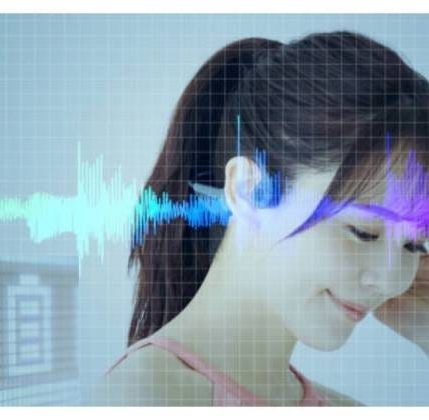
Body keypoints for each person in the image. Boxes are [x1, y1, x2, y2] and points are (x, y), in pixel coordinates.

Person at [91, 31, 429, 406]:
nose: (391, 280)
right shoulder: (145, 398)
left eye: (416, 244)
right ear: (250, 190)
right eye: (363, 232)